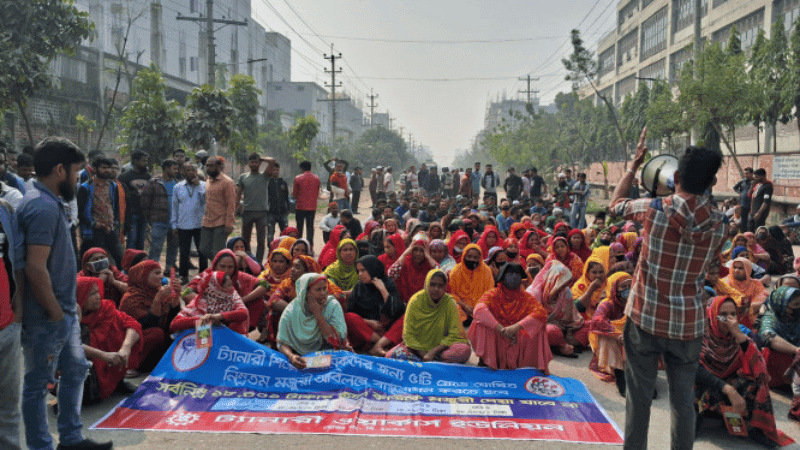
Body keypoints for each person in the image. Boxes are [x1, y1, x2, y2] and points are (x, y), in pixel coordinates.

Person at [610, 129, 727, 450]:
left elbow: (615, 204)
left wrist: (634, 166)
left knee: (639, 402)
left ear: (676, 176)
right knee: (683, 403)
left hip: (645, 318)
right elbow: (714, 272)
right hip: (688, 326)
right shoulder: (721, 224)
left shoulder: (653, 208)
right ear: (710, 183)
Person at [17, 138, 112, 450]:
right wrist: (57, 312)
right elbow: (35, 267)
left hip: (63, 310)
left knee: (76, 371)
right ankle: (41, 445)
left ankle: (70, 439)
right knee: (38, 383)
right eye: (75, 171)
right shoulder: (41, 207)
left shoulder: (48, 201)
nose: (78, 178)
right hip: (47, 315)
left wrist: (68, 306)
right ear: (60, 170)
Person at [696, 296, 793, 447]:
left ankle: (755, 427)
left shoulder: (740, 335)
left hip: (727, 383)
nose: (729, 319)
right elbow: (696, 371)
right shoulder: (699, 336)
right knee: (688, 384)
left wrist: (740, 337)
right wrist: (728, 390)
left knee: (757, 383)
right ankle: (697, 417)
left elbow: (761, 371)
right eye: (722, 315)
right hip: (705, 385)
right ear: (712, 316)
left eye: (733, 314)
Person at [469, 263, 552, 371]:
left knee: (539, 325)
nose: (514, 277)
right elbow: (479, 310)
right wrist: (501, 329)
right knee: (480, 323)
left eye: (517, 274)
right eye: (510, 274)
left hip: (517, 337)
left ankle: (530, 367)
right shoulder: (493, 294)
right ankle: (488, 361)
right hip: (498, 335)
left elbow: (541, 313)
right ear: (503, 277)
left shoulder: (526, 297)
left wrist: (516, 327)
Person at [76, 277, 142, 403]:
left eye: (97, 292)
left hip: (110, 359)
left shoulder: (105, 309)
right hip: (82, 369)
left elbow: (132, 324)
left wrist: (125, 349)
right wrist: (104, 355)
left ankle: (117, 381)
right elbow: (70, 345)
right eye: (92, 294)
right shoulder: (69, 316)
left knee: (121, 330)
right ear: (80, 296)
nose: (98, 296)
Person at [387, 269, 471, 363]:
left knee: (464, 350)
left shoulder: (449, 302)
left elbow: (455, 333)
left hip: (440, 350)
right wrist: (424, 355)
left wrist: (433, 352)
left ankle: (429, 363)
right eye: (432, 284)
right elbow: (408, 335)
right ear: (427, 284)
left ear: (445, 287)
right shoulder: (415, 301)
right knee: (391, 355)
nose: (436, 289)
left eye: (440, 286)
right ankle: (434, 364)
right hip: (417, 349)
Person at [277, 273, 350, 369]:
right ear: (305, 292)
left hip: (329, 356)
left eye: (325, 289)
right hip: (299, 358)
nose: (323, 293)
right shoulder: (291, 311)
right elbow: (282, 342)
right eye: (318, 289)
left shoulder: (332, 305)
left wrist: (318, 314)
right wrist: (291, 356)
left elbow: (338, 340)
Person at [119, 260, 180, 372]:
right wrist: (157, 300)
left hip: (155, 342)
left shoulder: (157, 292)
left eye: (161, 273)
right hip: (136, 344)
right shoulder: (130, 298)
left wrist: (176, 298)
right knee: (156, 334)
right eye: (156, 273)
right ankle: (136, 366)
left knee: (179, 334)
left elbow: (171, 323)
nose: (161, 277)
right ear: (142, 276)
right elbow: (148, 326)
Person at [345, 255, 405, 356]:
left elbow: (398, 312)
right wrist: (369, 322)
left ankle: (378, 345)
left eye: (363, 270)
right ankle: (382, 344)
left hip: (388, 330)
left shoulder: (388, 284)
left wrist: (383, 291)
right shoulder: (359, 287)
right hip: (367, 332)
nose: (360, 274)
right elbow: (351, 313)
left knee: (406, 317)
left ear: (373, 269)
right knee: (349, 317)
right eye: (358, 271)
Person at [527, 260, 589, 357]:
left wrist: (569, 332)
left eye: (566, 283)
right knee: (552, 332)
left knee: (591, 325)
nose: (564, 286)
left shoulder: (565, 291)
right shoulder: (534, 293)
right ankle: (561, 346)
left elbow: (572, 316)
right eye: (561, 283)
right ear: (552, 280)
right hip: (544, 329)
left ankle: (562, 344)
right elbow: (532, 323)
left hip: (565, 329)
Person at [0, 183, 22, 450]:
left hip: (7, 326)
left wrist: (18, 315)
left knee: (8, 409)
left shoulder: (5, 210)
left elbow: (16, 262)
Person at [588, 272, 632, 395]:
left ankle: (640, 374)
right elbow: (597, 320)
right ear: (614, 288)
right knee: (606, 337)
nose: (628, 289)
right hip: (616, 342)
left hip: (630, 338)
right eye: (623, 287)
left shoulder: (636, 303)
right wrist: (617, 334)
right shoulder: (607, 304)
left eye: (630, 285)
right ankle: (620, 374)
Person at [77, 156, 123, 266]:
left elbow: (115, 207)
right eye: (103, 167)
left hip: (110, 228)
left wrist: (114, 223)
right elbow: (80, 211)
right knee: (96, 260)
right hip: (93, 231)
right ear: (95, 169)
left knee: (120, 258)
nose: (107, 170)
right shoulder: (85, 187)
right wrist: (93, 224)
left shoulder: (113, 186)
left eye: (108, 167)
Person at [170, 271, 249, 335]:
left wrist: (218, 316)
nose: (232, 288)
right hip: (204, 342)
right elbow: (174, 324)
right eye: (229, 285)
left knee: (237, 326)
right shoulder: (200, 302)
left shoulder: (232, 296)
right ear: (216, 289)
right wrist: (203, 319)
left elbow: (244, 313)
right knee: (204, 326)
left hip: (225, 342)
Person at [172, 161, 207, 284]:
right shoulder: (178, 187)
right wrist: (174, 224)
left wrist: (199, 187)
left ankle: (203, 275)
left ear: (197, 171)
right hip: (183, 224)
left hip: (200, 224)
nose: (191, 172)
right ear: (183, 171)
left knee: (202, 251)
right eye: (188, 170)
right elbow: (174, 206)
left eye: (193, 170)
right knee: (184, 251)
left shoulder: (203, 185)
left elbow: (206, 202)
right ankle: (183, 275)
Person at [141, 159, 178, 271]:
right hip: (159, 221)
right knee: (156, 247)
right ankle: (152, 269)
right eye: (174, 168)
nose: (176, 171)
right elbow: (145, 203)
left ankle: (169, 269)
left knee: (173, 248)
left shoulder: (177, 183)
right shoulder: (154, 183)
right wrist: (151, 220)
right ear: (166, 168)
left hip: (175, 222)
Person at [759, 287, 800, 388]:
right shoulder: (770, 318)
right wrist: (796, 350)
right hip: (782, 363)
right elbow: (769, 337)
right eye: (796, 305)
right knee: (773, 352)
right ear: (782, 306)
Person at [200, 156, 236, 261]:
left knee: (218, 252)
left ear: (219, 166)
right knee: (203, 249)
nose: (208, 168)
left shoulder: (227, 182)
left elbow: (231, 205)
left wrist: (229, 224)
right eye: (207, 166)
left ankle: (219, 274)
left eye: (211, 165)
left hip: (220, 222)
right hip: (207, 221)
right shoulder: (208, 180)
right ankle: (220, 264)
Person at [448, 243, 494, 323]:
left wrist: (478, 307)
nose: (472, 259)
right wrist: (465, 306)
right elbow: (451, 294)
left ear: (480, 258)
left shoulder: (486, 270)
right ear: (464, 256)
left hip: (481, 306)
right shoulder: (456, 271)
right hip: (461, 307)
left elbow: (489, 293)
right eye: (469, 257)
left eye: (475, 257)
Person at [236, 153, 269, 263]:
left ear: (259, 163)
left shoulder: (264, 175)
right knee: (245, 240)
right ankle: (249, 262)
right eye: (252, 162)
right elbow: (238, 194)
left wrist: (262, 158)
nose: (254, 164)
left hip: (261, 213)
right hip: (247, 212)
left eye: (256, 162)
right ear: (248, 163)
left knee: (261, 240)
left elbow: (272, 161)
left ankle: (258, 263)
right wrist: (235, 208)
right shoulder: (243, 177)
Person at [723, 257, 769, 329]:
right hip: (731, 319)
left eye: (741, 268)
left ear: (748, 270)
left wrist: (750, 308)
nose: (736, 270)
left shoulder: (755, 283)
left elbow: (763, 298)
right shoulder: (724, 283)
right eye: (734, 267)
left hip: (754, 319)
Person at [388, 237, 438, 303]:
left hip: (426, 303)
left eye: (422, 250)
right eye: (415, 250)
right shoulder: (405, 262)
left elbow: (441, 274)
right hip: (407, 303)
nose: (418, 253)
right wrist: (404, 254)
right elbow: (391, 274)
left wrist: (428, 256)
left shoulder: (429, 263)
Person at [119, 150, 151, 250]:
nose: (146, 163)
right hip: (131, 213)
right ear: (135, 161)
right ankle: (129, 264)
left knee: (140, 242)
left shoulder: (147, 176)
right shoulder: (124, 177)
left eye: (146, 161)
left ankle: (139, 264)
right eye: (143, 161)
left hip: (143, 214)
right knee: (132, 241)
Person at [293, 160, 321, 250]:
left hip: (300, 206)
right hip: (312, 206)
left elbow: (294, 194)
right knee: (310, 227)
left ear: (302, 168)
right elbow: (317, 193)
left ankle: (298, 245)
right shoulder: (317, 178)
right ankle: (310, 246)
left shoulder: (298, 178)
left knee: (299, 227)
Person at [266, 162, 290, 243]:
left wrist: (288, 209)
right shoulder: (268, 183)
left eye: (277, 170)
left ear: (279, 171)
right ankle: (271, 249)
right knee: (270, 233)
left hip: (283, 212)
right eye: (273, 170)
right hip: (271, 212)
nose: (275, 171)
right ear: (271, 171)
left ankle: (283, 248)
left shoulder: (283, 182)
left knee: (285, 233)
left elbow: (287, 197)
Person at [733, 167, 753, 232]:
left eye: (747, 173)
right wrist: (741, 193)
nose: (746, 175)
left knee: (750, 220)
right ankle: (742, 233)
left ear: (751, 174)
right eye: (745, 174)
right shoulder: (743, 181)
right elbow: (735, 187)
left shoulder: (754, 182)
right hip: (743, 203)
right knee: (743, 220)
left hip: (751, 204)